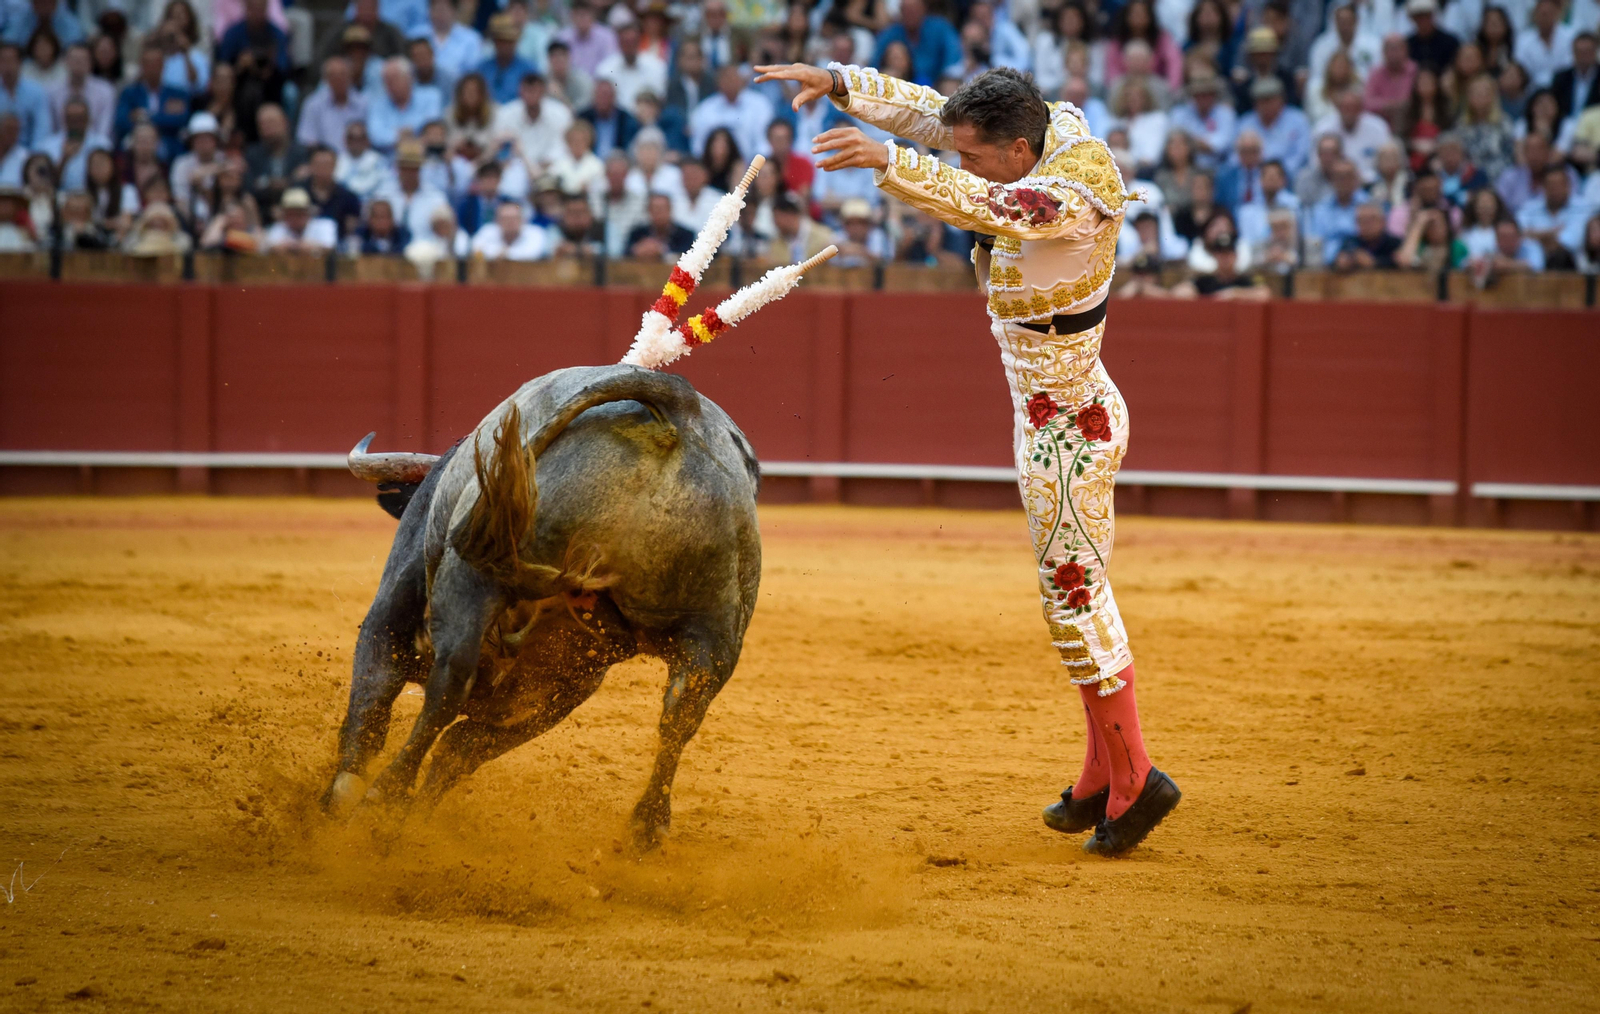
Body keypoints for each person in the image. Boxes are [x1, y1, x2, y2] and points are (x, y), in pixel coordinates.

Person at [755, 60, 1181, 855]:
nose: (963, 162)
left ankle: (1137, 779)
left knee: (1075, 600)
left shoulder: (1071, 192)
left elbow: (997, 204)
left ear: (1020, 149)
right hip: (1052, 419)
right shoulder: (1037, 131)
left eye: (977, 154)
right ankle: (1100, 774)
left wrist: (892, 165)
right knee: (1073, 597)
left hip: (1070, 432)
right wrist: (843, 82)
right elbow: (937, 121)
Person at [690, 63, 773, 161]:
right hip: (716, 168)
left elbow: (764, 144)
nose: (730, 82)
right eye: (725, 78)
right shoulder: (704, 109)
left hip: (752, 167)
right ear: (718, 82)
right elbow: (698, 147)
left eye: (733, 78)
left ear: (741, 80)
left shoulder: (760, 104)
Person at [872, 0, 962, 86]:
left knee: (950, 85)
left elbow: (954, 61)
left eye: (914, 10)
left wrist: (944, 80)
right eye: (906, 10)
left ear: (924, 9)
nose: (910, 14)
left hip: (936, 83)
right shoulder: (890, 34)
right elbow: (874, 65)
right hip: (898, 83)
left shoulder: (941, 28)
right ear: (900, 12)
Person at [296, 57, 368, 154]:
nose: (339, 80)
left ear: (351, 77)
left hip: (357, 159)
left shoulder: (364, 103)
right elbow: (307, 139)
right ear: (326, 79)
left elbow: (371, 137)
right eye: (334, 76)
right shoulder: (313, 104)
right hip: (325, 161)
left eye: (343, 75)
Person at [49, 42, 113, 139]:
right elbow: (50, 128)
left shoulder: (105, 91)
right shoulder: (52, 92)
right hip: (60, 144)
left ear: (91, 63)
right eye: (74, 60)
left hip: (94, 146)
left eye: (83, 60)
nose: (78, 64)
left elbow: (104, 130)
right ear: (65, 62)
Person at [478, 13, 537, 104]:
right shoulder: (482, 69)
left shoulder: (529, 69)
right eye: (501, 40)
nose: (505, 45)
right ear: (494, 41)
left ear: (515, 42)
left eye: (509, 41)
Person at [1191, 231, 1270, 297]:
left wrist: (1236, 293)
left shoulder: (1244, 280)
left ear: (1235, 256)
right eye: (1221, 254)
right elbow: (1183, 291)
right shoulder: (1205, 281)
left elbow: (1264, 293)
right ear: (1214, 256)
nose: (1225, 258)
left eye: (1228, 253)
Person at [264, 186, 338, 252]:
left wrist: (300, 246)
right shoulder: (277, 228)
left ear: (308, 213)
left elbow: (330, 247)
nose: (294, 218)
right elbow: (269, 247)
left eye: (299, 213)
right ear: (284, 215)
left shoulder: (325, 225)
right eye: (290, 214)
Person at [1332, 199, 1402, 268]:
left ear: (1383, 221)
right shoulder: (1350, 243)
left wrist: (1374, 263)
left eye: (1371, 219)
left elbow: (1401, 262)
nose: (1367, 225)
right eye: (1361, 220)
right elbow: (1335, 263)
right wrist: (1343, 262)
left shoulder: (1395, 244)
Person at [471, 198, 546, 259]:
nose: (510, 223)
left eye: (514, 218)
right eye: (505, 219)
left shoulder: (536, 232)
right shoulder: (487, 231)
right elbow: (477, 250)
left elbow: (533, 254)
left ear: (523, 220)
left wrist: (503, 254)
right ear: (497, 221)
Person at [1551, 32, 1598, 123]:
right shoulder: (1561, 78)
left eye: (1587, 52)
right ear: (1573, 53)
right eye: (1579, 52)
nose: (1583, 56)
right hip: (1565, 126)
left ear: (1595, 52)